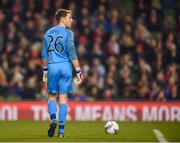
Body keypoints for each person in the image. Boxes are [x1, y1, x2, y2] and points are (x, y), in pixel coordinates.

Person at [41, 9, 84, 138]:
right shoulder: (68, 33)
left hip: (52, 66)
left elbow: (44, 54)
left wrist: (45, 71)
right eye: (70, 17)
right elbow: (72, 53)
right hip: (65, 67)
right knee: (63, 100)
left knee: (52, 97)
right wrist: (78, 71)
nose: (72, 20)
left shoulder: (47, 33)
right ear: (63, 18)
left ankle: (53, 119)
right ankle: (61, 132)